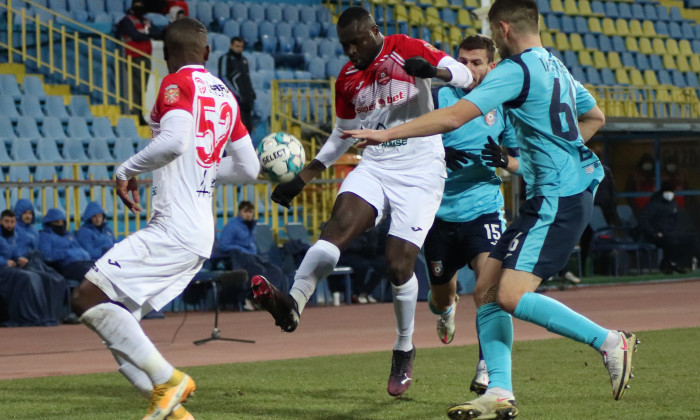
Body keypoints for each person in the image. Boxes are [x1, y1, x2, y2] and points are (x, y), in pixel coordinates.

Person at [345, 1, 638, 418]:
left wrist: (385, 134)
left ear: (502, 29)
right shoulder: (556, 66)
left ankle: (610, 342)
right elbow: (594, 116)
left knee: (510, 295)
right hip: (553, 193)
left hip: (558, 199)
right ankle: (499, 390)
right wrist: (559, 156)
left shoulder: (513, 71)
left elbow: (451, 118)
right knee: (485, 292)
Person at [250, 6, 474, 398]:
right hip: (374, 164)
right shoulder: (347, 77)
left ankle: (404, 347)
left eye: (356, 42)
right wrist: (306, 175)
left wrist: (434, 72)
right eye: (344, 45)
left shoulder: (406, 48)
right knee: (334, 231)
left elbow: (467, 75)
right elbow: (342, 133)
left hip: (420, 169)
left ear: (374, 31)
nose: (350, 51)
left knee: (398, 263)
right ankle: (293, 305)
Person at [69, 18, 260, 420]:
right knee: (119, 328)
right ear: (207, 53)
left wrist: (126, 170)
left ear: (165, 53)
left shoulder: (177, 84)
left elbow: (173, 142)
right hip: (198, 233)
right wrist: (204, 170)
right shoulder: (226, 96)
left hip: (173, 227)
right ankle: (176, 414)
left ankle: (169, 380)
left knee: (85, 296)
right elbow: (249, 168)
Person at [422, 34, 520, 395]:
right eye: (462, 61)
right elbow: (410, 143)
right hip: (439, 215)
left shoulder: (503, 104)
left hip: (484, 209)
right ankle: (447, 311)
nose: (467, 68)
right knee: (440, 297)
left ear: (491, 66)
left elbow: (522, 160)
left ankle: (487, 366)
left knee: (489, 288)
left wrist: (507, 162)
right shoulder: (437, 97)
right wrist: (437, 156)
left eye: (476, 62)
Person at [217, 201, 290, 310]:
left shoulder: (253, 225)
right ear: (239, 212)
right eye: (245, 211)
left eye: (250, 212)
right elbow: (223, 245)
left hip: (253, 256)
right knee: (258, 269)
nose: (248, 214)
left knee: (275, 270)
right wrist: (240, 248)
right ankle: (249, 298)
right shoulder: (231, 226)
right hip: (238, 257)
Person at [0, 209, 59, 326]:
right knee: (26, 277)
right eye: (7, 222)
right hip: (2, 271)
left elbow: (15, 253)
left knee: (36, 276)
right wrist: (5, 262)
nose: (9, 225)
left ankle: (39, 315)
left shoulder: (14, 235)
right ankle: (27, 316)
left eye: (12, 222)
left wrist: (19, 259)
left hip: (11, 270)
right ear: (1, 222)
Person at [117, 0, 162, 123]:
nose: (139, 8)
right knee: (136, 86)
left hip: (146, 57)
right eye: (137, 6)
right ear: (131, 7)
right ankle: (136, 115)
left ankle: (139, 113)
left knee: (143, 87)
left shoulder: (145, 21)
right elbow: (135, 35)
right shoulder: (127, 21)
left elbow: (157, 33)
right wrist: (150, 35)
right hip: (134, 57)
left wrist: (153, 34)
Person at [639, 182, 697, 274]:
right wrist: (654, 232)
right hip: (655, 234)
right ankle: (666, 264)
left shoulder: (672, 203)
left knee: (690, 240)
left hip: (670, 232)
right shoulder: (654, 204)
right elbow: (644, 221)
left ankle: (679, 263)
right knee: (671, 241)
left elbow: (674, 219)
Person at [39, 208, 95, 282]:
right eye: (57, 222)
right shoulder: (45, 236)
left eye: (62, 222)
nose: (60, 225)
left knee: (100, 269)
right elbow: (46, 255)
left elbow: (79, 249)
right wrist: (66, 253)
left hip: (81, 262)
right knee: (91, 273)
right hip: (63, 267)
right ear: (49, 223)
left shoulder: (69, 235)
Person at [219, 37, 256, 132]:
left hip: (247, 100)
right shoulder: (225, 58)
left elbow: (247, 77)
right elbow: (223, 77)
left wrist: (251, 91)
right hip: (235, 100)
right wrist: (236, 94)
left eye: (241, 46)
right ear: (231, 45)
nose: (239, 48)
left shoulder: (244, 60)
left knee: (248, 129)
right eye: (237, 46)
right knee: (236, 130)